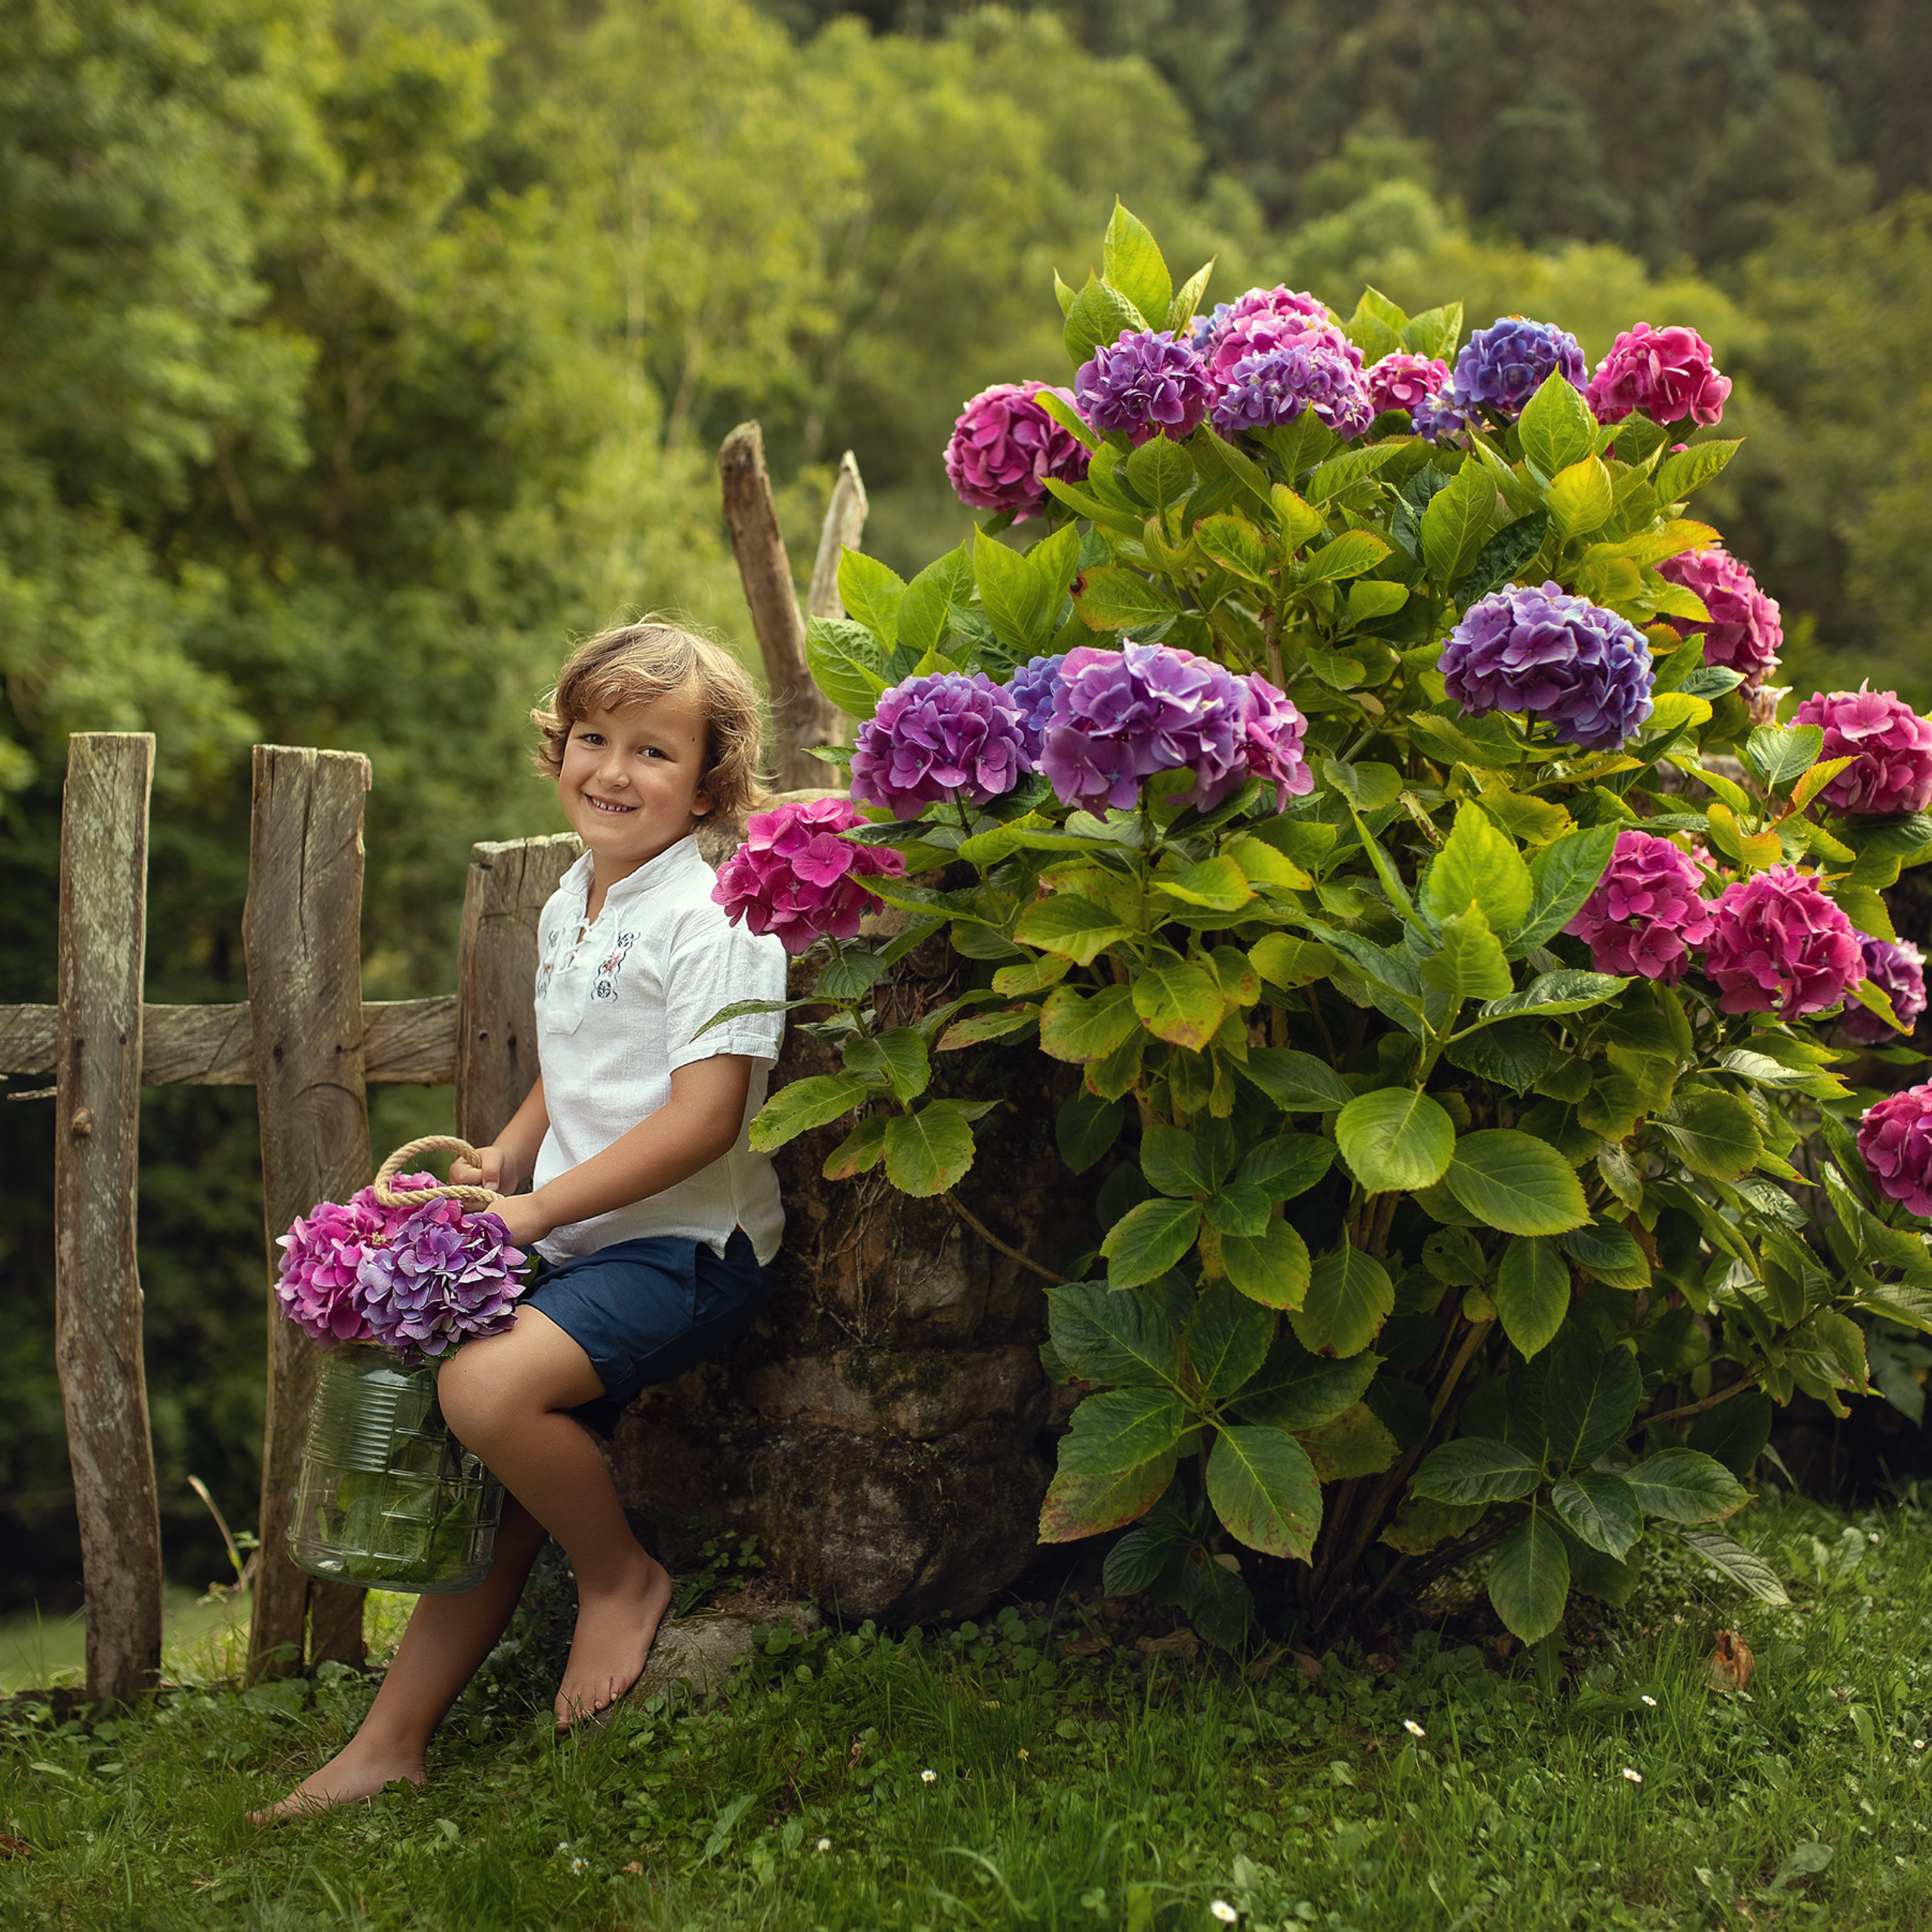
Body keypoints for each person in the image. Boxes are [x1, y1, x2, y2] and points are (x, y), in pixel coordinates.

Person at [258, 621, 789, 1819]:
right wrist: (509, 1147)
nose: (612, 769)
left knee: (486, 1392)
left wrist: (537, 1205)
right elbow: (586, 1061)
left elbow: (705, 1116)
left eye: (653, 750)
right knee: (483, 1464)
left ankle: (620, 1579)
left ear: (709, 781)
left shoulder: (716, 919)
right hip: (586, 1236)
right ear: (557, 748)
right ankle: (390, 1741)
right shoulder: (573, 899)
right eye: (591, 737)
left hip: (692, 1247)